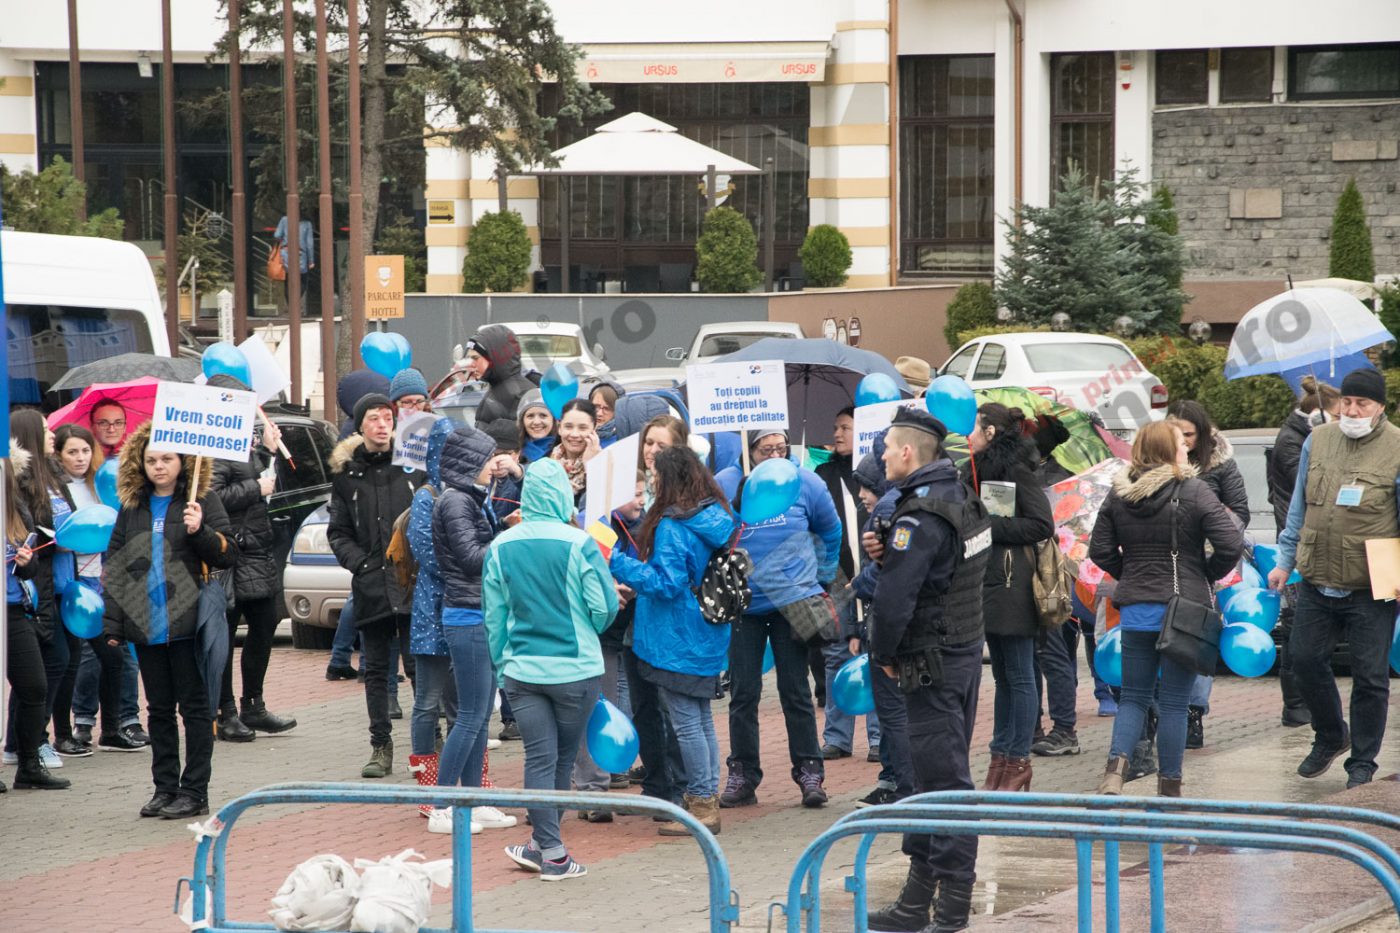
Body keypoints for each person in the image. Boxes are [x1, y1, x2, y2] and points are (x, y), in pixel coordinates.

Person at [864, 408, 991, 933]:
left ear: (907, 452)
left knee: (944, 783)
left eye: (886, 449)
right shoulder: (961, 497)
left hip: (930, 662)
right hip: (959, 652)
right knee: (927, 780)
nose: (882, 457)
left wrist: (882, 653)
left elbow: (894, 600)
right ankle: (916, 902)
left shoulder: (919, 517)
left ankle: (953, 907)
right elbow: (949, 572)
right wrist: (887, 553)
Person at [1089, 421, 1242, 799]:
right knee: (1174, 702)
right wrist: (1204, 574)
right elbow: (1230, 543)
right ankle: (1169, 787)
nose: (1186, 449)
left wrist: (1130, 574)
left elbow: (1100, 550)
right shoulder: (1195, 490)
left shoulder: (1119, 494)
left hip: (1136, 611)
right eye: (1180, 444)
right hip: (1183, 612)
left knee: (1133, 697)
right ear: (1167, 450)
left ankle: (1114, 773)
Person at [484, 458, 619, 881]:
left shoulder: (501, 545)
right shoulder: (580, 543)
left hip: (523, 670)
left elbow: (494, 617)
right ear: (563, 494)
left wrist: (503, 664)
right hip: (576, 669)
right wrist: (590, 627)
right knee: (561, 760)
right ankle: (554, 854)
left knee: (540, 759)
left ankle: (544, 845)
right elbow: (604, 607)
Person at [1269, 367, 1400, 790]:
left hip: (1371, 583)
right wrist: (1284, 561)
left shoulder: (1397, 447)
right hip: (1317, 575)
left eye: (1362, 403)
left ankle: (1362, 762)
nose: (1353, 410)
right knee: (1303, 659)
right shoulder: (1318, 439)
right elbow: (1298, 508)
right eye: (1347, 401)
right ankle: (1330, 735)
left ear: (1380, 407)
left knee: (1370, 677)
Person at [102, 421, 240, 818]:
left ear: (183, 461)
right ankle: (164, 788)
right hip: (147, 623)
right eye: (151, 460)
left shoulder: (201, 498)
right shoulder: (133, 506)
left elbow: (228, 554)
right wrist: (114, 624)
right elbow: (116, 565)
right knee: (158, 710)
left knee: (195, 709)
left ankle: (194, 791)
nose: (159, 467)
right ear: (139, 463)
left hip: (188, 622)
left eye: (166, 459)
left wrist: (200, 531)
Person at [612, 450, 737, 835]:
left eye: (655, 475)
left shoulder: (672, 525)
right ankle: (706, 799)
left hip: (675, 636)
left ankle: (701, 807)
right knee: (700, 721)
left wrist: (617, 562)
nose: (652, 482)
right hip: (705, 631)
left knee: (687, 725)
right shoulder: (715, 515)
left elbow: (665, 584)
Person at [716, 430, 842, 810]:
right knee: (743, 694)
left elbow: (831, 530)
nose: (774, 454)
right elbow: (715, 534)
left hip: (792, 604)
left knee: (796, 690)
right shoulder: (727, 483)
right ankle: (743, 774)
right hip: (745, 606)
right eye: (764, 448)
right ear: (749, 450)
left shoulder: (805, 481)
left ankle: (809, 772)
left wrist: (820, 579)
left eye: (780, 448)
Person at [327, 392, 426, 779]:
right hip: (371, 586)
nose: (382, 424)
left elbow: (430, 517)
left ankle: (428, 742)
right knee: (377, 670)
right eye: (374, 418)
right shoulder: (347, 475)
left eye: (388, 417)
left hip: (412, 582)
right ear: (360, 425)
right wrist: (361, 564)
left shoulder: (413, 466)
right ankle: (380, 745)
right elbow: (338, 532)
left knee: (419, 665)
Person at [430, 425, 519, 836]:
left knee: (481, 715)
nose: (493, 465)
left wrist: (503, 527)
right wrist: (509, 539)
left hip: (479, 612)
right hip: (466, 617)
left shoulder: (470, 497)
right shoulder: (455, 501)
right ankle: (441, 805)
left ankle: (474, 799)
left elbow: (480, 547)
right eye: (488, 459)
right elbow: (471, 557)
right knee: (469, 716)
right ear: (470, 463)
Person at [967, 403, 1054, 792]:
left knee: (1019, 675)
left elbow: (1041, 524)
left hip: (1013, 582)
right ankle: (1000, 758)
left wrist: (989, 526)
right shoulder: (973, 470)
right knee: (1002, 675)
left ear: (990, 432)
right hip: (987, 581)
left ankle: (1018, 760)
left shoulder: (1016, 469)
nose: (967, 435)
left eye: (974, 428)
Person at [205, 377, 297, 743]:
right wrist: (255, 488)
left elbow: (263, 480)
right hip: (232, 551)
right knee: (226, 633)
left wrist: (269, 452)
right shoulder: (214, 446)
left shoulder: (244, 442)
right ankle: (224, 711)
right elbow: (214, 495)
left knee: (265, 622)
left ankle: (253, 705)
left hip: (256, 548)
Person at [50, 424, 144, 757]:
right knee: (69, 662)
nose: (80, 458)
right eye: (72, 452)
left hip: (102, 582)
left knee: (113, 656)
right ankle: (63, 734)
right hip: (69, 585)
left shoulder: (101, 483)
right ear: (59, 455)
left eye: (85, 450)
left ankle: (112, 729)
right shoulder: (55, 490)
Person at [1166, 399, 1249, 751]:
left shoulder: (1220, 465)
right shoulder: (1156, 460)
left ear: (1202, 435)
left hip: (1205, 563)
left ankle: (1194, 712)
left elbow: (1239, 513)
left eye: (1189, 435)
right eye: (1176, 435)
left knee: (1199, 637)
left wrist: (1213, 555)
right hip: (1163, 564)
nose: (1183, 442)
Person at [573, 472, 647, 820]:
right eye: (634, 494)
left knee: (613, 705)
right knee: (590, 707)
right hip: (591, 631)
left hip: (626, 629)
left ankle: (600, 783)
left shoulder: (644, 526)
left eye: (644, 492)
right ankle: (590, 789)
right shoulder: (592, 525)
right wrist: (607, 591)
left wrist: (634, 585)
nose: (641, 500)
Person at [1267, 376, 1340, 728]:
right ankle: (1295, 704)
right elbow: (1312, 486)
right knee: (1296, 628)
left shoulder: (1299, 436)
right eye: (1337, 416)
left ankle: (1304, 704)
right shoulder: (1292, 443)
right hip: (1296, 545)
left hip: (1311, 545)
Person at [849, 435, 916, 809]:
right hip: (899, 622)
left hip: (893, 624)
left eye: (867, 486)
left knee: (894, 711)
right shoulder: (909, 500)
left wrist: (860, 583)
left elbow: (889, 572)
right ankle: (896, 780)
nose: (861, 495)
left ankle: (906, 787)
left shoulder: (892, 507)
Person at [814, 407, 880, 763]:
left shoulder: (877, 474)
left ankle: (879, 737)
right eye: (835, 427)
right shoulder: (823, 474)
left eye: (845, 428)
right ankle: (837, 737)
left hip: (871, 573)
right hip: (837, 577)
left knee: (875, 655)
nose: (837, 434)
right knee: (836, 655)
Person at [6, 411, 69, 771]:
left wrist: (27, 559)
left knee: (35, 681)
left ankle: (27, 758)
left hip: (22, 601)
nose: (53, 435)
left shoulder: (44, 480)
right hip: (31, 597)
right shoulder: (24, 487)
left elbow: (26, 558)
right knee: (49, 666)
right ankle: (25, 747)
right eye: (46, 430)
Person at [1022, 416, 1084, 758]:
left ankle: (1064, 729)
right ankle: (1034, 726)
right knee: (1032, 654)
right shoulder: (1021, 473)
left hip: (1051, 575)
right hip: (1028, 572)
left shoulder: (1061, 479)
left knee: (1052, 651)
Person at [465, 325, 538, 438]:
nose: (470, 364)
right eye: (468, 358)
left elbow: (524, 440)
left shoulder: (522, 394)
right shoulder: (496, 387)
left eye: (475, 358)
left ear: (494, 357)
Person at [549, 399, 602, 503]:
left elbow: (599, 501)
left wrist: (590, 466)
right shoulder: (547, 461)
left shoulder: (606, 464)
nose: (574, 434)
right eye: (568, 427)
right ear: (559, 427)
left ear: (594, 429)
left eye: (582, 428)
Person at [639, 414, 688, 508]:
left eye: (662, 447)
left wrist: (661, 487)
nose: (653, 450)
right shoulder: (630, 477)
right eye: (649, 443)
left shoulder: (689, 488)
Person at [274, 213, 315, 307]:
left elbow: (277, 235)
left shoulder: (284, 219)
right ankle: (295, 302)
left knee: (288, 280)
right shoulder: (307, 224)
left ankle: (290, 305)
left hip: (286, 253)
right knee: (303, 280)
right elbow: (309, 244)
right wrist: (311, 261)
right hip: (301, 254)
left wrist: (285, 239)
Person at [517, 392, 558, 465]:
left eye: (543, 415)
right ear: (522, 421)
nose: (536, 422)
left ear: (553, 420)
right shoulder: (513, 450)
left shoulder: (564, 450)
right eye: (530, 416)